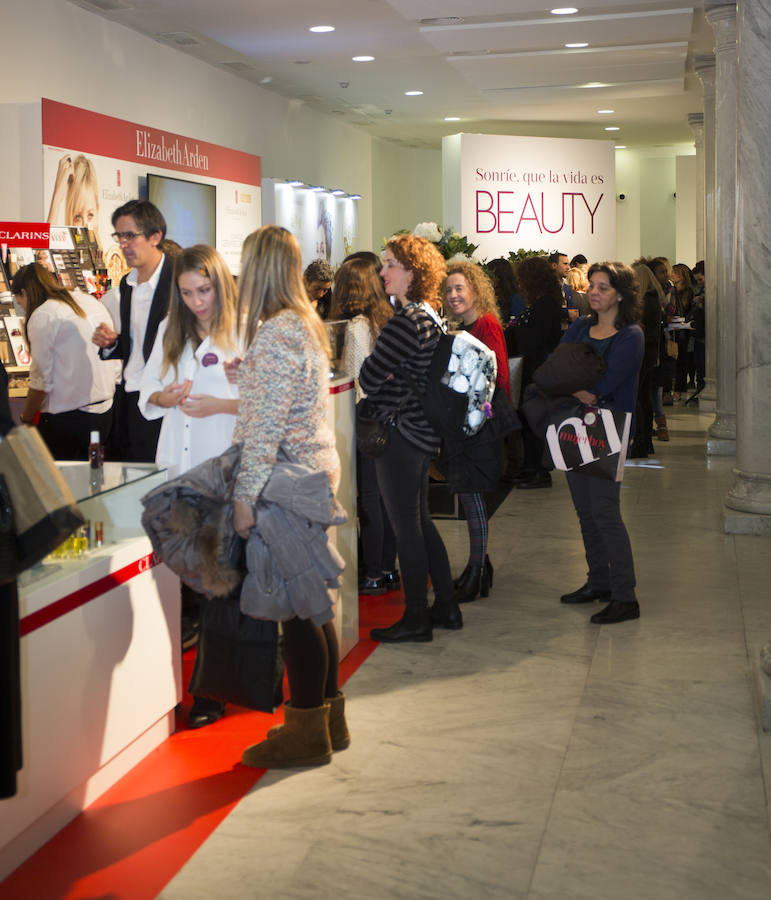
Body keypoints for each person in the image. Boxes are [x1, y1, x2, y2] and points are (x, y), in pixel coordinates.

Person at [231, 225, 345, 769]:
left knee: (298, 611)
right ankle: (327, 719)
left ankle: (306, 731)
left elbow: (266, 429)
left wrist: (244, 496)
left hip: (288, 482)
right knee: (314, 606)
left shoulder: (277, 331)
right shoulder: (301, 324)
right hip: (312, 473)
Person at [139, 244, 241, 727]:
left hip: (222, 472)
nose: (198, 301)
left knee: (219, 584)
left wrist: (219, 406)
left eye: (204, 290)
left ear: (220, 285)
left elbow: (268, 403)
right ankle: (190, 687)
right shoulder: (169, 330)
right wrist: (167, 394)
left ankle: (212, 694)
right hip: (176, 472)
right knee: (189, 585)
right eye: (187, 292)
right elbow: (145, 393)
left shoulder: (244, 331)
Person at [358, 234, 461, 640]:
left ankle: (417, 616)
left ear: (412, 273)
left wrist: (380, 371)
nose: (383, 272)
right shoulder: (428, 315)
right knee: (419, 522)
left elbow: (367, 375)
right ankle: (446, 607)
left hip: (399, 434)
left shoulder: (405, 323)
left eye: (390, 265)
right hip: (418, 432)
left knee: (407, 528)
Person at [559, 261, 644, 625]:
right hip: (572, 425)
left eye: (603, 287)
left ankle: (625, 596)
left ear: (621, 294)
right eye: (592, 285)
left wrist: (573, 384)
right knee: (583, 509)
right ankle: (599, 581)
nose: (594, 291)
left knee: (605, 510)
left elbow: (601, 388)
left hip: (609, 425)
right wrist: (573, 383)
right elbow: (555, 367)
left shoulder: (630, 336)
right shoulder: (579, 327)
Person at [329, 257, 398, 596]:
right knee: (384, 499)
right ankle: (386, 567)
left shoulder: (356, 327)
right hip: (389, 419)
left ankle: (372, 571)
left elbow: (358, 383)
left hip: (366, 418)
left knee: (369, 499)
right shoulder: (384, 319)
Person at [444, 261, 510, 603]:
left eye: (460, 288)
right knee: (470, 498)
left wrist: (477, 417)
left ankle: (477, 572)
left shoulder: (486, 325)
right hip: (471, 422)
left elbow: (494, 381)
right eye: (450, 289)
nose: (454, 295)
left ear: (475, 291)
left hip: (482, 423)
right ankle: (477, 567)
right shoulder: (465, 326)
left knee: (473, 498)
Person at [92, 200, 173, 462]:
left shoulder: (179, 280)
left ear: (155, 236)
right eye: (119, 236)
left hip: (164, 398)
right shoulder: (127, 285)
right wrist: (112, 343)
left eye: (130, 235)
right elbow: (136, 345)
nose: (123, 244)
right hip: (129, 396)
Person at [12, 263, 120, 459]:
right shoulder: (88, 301)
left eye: (20, 302)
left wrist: (26, 417)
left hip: (69, 420)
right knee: (93, 479)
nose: (23, 307)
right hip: (105, 412)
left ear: (24, 292)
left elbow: (40, 381)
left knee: (59, 484)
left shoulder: (44, 314)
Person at [510, 255, 563, 489]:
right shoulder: (543, 304)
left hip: (539, 371)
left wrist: (514, 331)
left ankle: (539, 470)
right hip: (535, 370)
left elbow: (535, 340)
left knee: (535, 421)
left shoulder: (545, 306)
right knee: (529, 420)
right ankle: (531, 466)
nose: (519, 284)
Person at [629, 263, 663, 457]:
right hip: (648, 353)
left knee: (640, 398)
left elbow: (645, 331)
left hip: (643, 352)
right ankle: (645, 441)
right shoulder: (653, 299)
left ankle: (641, 440)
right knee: (644, 397)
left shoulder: (646, 301)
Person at [47, 153, 101, 244]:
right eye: (78, 217)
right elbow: (43, 253)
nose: (85, 225)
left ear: (98, 209)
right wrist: (56, 199)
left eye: (90, 215)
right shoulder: (64, 252)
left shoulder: (113, 255)